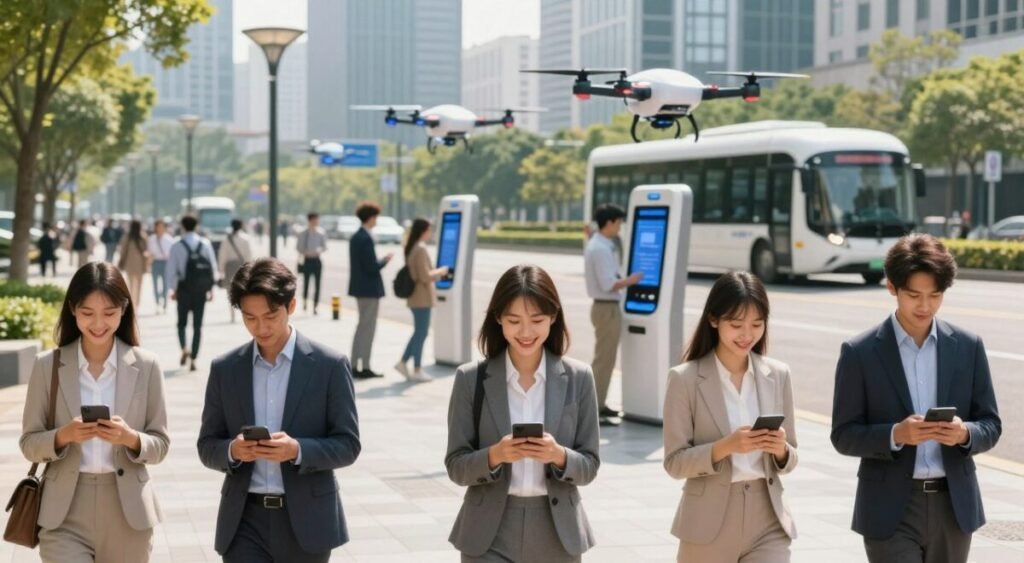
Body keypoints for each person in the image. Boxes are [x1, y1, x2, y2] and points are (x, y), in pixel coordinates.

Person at [831, 234, 1001, 563]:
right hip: (889, 508)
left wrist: (964, 433)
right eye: (914, 295)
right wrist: (896, 434)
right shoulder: (859, 352)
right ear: (891, 287)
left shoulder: (968, 347)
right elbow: (843, 435)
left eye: (935, 295)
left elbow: (991, 424)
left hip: (954, 507)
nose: (925, 306)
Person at [197, 257, 360, 563]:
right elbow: (207, 445)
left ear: (291, 305)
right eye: (250, 318)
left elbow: (348, 445)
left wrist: (296, 450)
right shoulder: (225, 369)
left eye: (270, 316)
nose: (261, 327)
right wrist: (232, 451)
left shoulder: (329, 365)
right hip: (243, 521)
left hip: (307, 522)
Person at [445, 264, 600, 562]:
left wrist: (558, 455)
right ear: (498, 318)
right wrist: (495, 455)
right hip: (488, 533)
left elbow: (590, 465)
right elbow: (456, 465)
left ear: (553, 317)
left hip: (558, 533)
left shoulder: (579, 377)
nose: (526, 332)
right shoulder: (470, 378)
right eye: (514, 320)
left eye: (537, 320)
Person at [19, 262, 169, 562]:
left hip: (128, 513)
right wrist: (64, 435)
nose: (98, 323)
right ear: (73, 309)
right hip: (64, 513)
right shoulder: (47, 365)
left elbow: (161, 445)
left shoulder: (147, 365)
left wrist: (130, 438)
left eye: (109, 313)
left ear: (123, 310)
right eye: (87, 313)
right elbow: (28, 443)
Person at [662, 271, 798, 562]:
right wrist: (726, 446)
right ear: (714, 320)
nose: (747, 335)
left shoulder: (778, 375)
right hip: (707, 523)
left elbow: (791, 458)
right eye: (736, 325)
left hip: (768, 519)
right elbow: (674, 462)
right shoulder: (684, 379)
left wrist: (781, 451)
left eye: (757, 324)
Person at [583, 203, 643, 426]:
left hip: (605, 307)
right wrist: (633, 280)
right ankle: (593, 409)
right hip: (606, 308)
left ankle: (599, 404)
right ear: (609, 223)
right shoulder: (600, 248)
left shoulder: (600, 244)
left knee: (606, 359)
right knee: (603, 360)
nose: (620, 227)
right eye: (618, 223)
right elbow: (608, 283)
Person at [395, 218, 448, 383]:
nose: (431, 233)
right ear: (423, 231)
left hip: (416, 298)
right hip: (421, 298)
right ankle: (416, 369)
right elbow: (425, 276)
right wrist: (441, 271)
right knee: (421, 333)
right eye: (429, 230)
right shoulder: (421, 248)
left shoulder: (412, 247)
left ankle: (403, 362)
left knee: (419, 332)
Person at [166, 215, 217, 372]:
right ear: (196, 226)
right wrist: (211, 289)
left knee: (181, 323)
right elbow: (212, 267)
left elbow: (171, 270)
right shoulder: (205, 244)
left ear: (182, 226)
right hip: (200, 290)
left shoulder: (176, 245)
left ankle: (184, 348)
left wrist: (173, 289)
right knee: (197, 325)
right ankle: (194, 358)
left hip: (183, 289)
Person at [348, 201, 393, 379]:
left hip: (360, 288)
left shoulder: (356, 236)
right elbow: (371, 267)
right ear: (370, 217)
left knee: (361, 327)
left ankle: (354, 364)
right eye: (376, 217)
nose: (376, 220)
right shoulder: (366, 238)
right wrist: (384, 261)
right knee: (368, 328)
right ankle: (364, 366)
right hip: (369, 290)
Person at [219, 219, 254, 323]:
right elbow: (249, 255)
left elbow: (222, 255)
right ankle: (244, 312)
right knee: (243, 291)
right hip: (242, 266)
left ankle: (232, 314)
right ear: (241, 226)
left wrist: (221, 269)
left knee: (230, 291)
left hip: (229, 267)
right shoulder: (246, 239)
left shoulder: (227, 239)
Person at [296, 212, 327, 315]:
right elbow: (298, 247)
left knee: (317, 284)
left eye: (317, 220)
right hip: (307, 260)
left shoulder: (321, 233)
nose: (316, 222)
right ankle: (305, 302)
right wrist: (305, 251)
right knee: (306, 283)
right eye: (314, 220)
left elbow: (324, 246)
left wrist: (319, 250)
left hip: (317, 260)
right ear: (310, 220)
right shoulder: (303, 233)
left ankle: (315, 306)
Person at [117, 220, 151, 309]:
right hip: (140, 264)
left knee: (131, 283)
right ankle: (137, 303)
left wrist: (121, 260)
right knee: (139, 285)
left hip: (129, 263)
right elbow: (147, 250)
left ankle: (132, 302)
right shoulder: (143, 237)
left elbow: (122, 250)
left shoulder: (127, 237)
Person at [147, 219, 175, 314]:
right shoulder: (152, 239)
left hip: (166, 263)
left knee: (165, 284)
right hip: (155, 262)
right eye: (158, 226)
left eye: (161, 226)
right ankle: (157, 303)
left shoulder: (169, 240)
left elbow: (172, 254)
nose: (159, 228)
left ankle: (165, 304)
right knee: (155, 284)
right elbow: (149, 252)